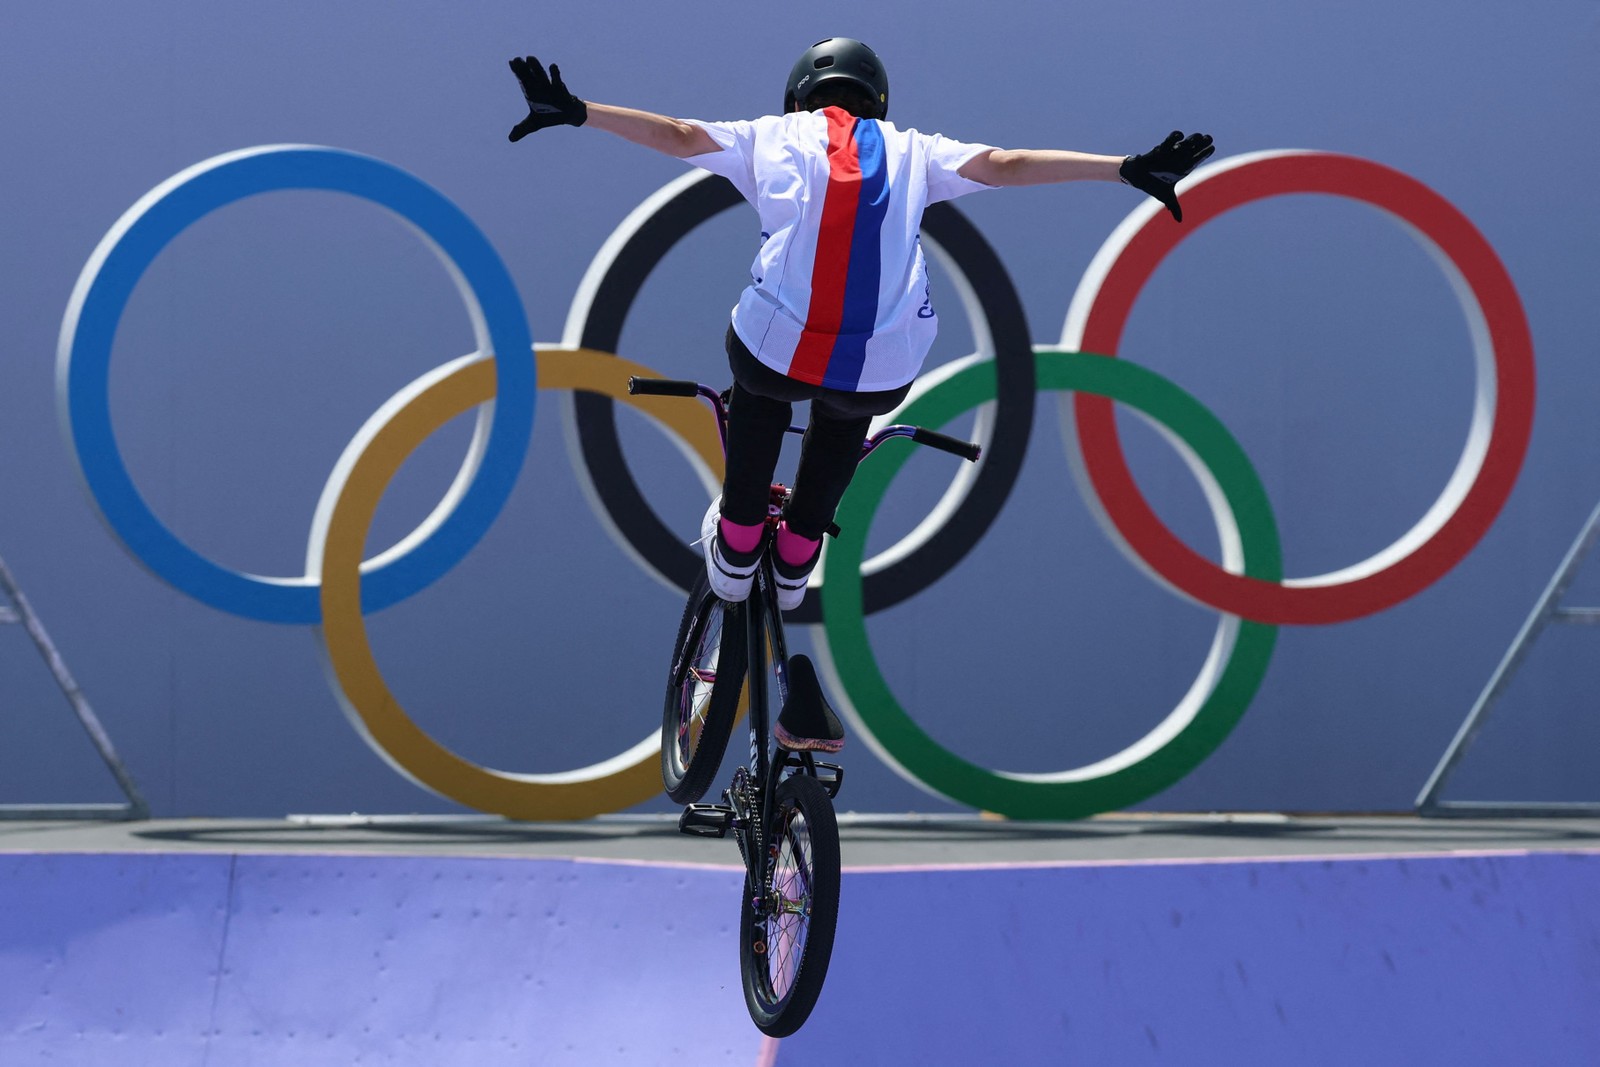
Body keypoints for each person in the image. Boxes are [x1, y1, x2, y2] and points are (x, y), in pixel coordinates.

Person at [508, 39, 1213, 751]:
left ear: (796, 99)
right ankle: (800, 545)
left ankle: (744, 528)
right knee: (846, 414)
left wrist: (578, 111)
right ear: (880, 104)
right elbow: (1006, 165)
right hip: (883, 363)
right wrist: (1123, 169)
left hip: (776, 347)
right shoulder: (915, 150)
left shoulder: (770, 135)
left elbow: (679, 135)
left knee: (758, 388)